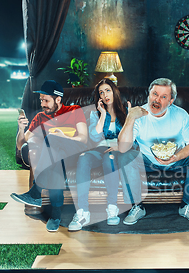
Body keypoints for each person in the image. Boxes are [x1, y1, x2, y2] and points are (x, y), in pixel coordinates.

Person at [118, 78, 189, 225]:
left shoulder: (181, 115)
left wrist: (175, 157)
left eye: (163, 97)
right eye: (154, 94)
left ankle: (188, 207)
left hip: (176, 160)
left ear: (171, 101)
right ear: (148, 94)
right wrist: (130, 117)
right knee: (125, 157)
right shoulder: (139, 115)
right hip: (147, 161)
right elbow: (122, 147)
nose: (157, 100)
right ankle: (136, 207)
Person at [10, 80, 88, 232]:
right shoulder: (40, 117)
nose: (43, 104)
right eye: (41, 100)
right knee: (55, 157)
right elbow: (21, 145)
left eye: (46, 100)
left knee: (52, 140)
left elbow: (83, 139)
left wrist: (63, 137)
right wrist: (21, 129)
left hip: (76, 153)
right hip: (57, 159)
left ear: (58, 99)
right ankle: (55, 215)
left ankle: (36, 191)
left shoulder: (74, 110)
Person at [68, 79, 127, 231]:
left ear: (114, 91)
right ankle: (82, 211)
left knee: (110, 158)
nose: (105, 94)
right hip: (99, 149)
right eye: (101, 92)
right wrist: (102, 114)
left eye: (107, 90)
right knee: (83, 158)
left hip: (118, 151)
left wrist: (118, 146)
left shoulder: (125, 112)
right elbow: (94, 137)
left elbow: (133, 137)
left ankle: (112, 208)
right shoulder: (95, 114)